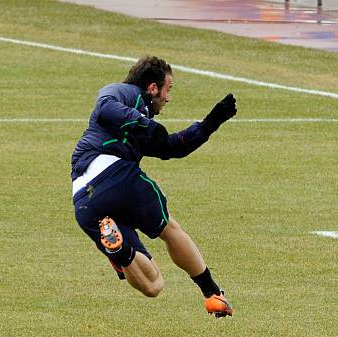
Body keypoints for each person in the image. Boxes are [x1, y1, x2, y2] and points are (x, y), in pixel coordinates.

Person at [71, 56, 235, 317]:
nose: (168, 98)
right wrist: (145, 123)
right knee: (170, 229)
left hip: (84, 202)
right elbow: (105, 106)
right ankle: (212, 292)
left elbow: (171, 147)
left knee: (153, 284)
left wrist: (209, 124)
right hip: (112, 172)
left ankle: (120, 250)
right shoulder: (126, 93)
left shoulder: (138, 126)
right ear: (152, 88)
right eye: (168, 89)